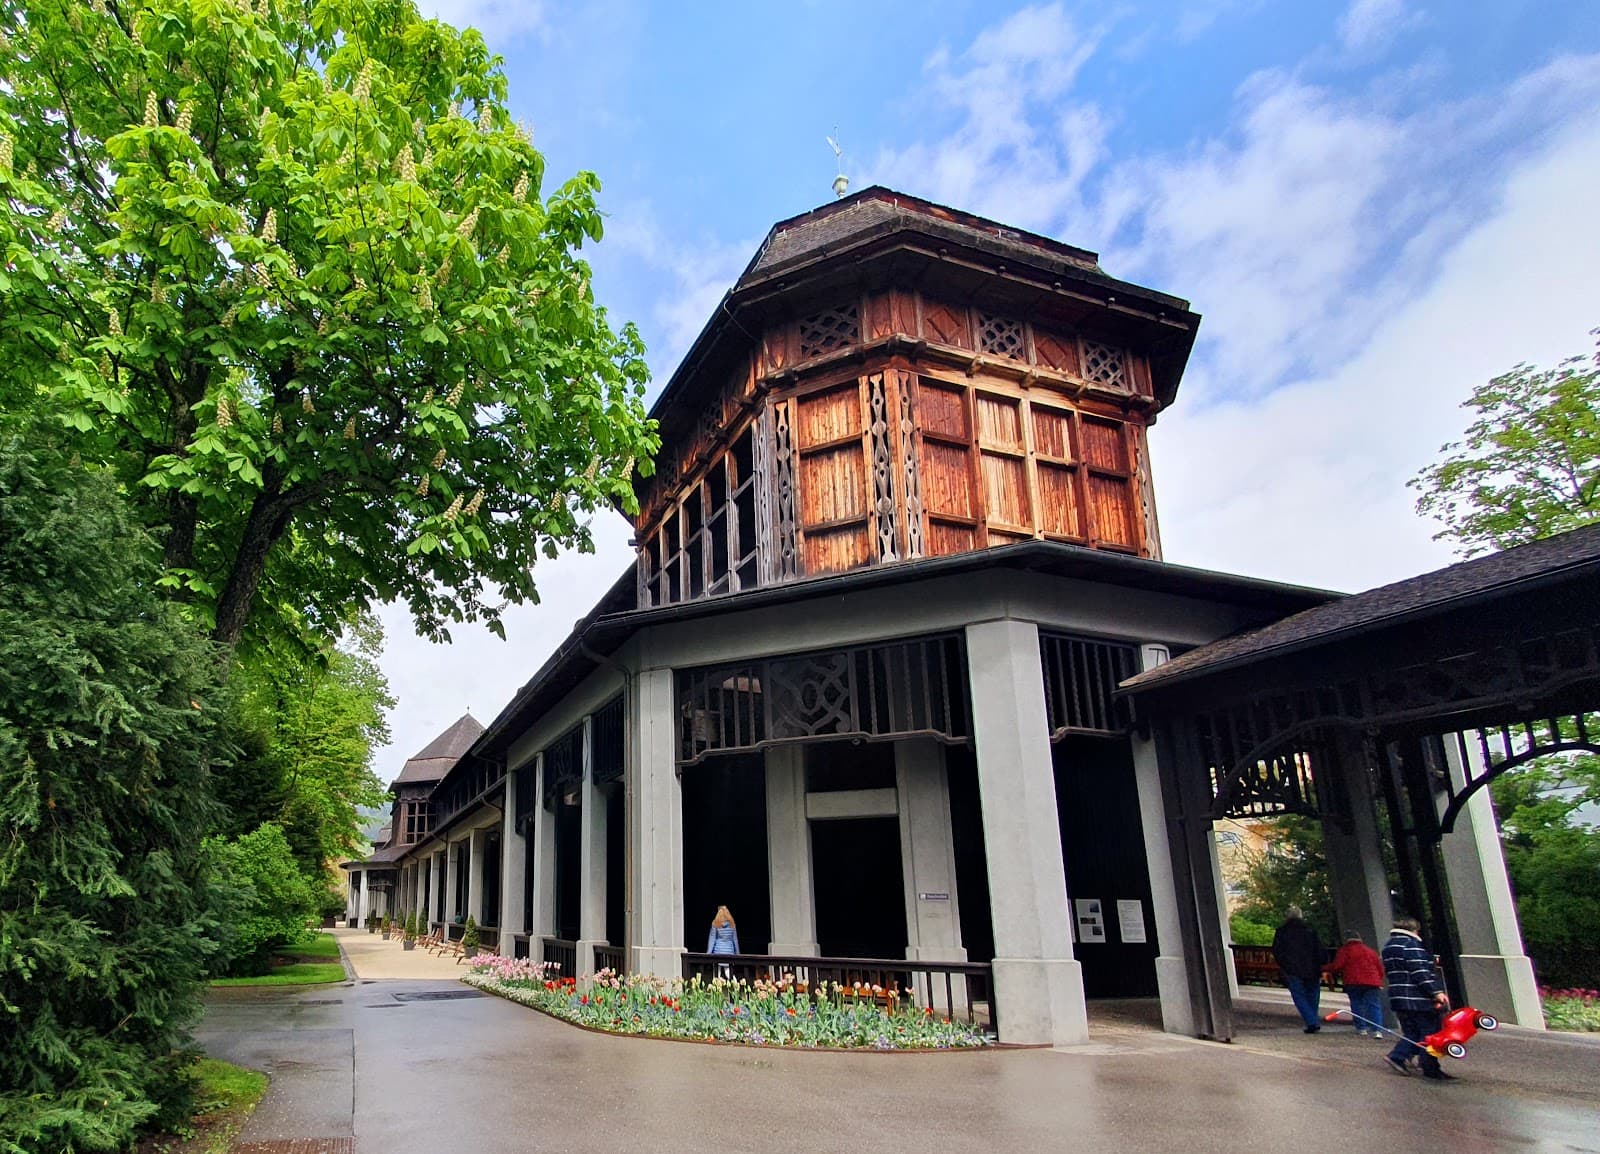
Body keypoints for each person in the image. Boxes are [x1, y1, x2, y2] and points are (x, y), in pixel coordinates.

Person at [1381, 916, 1453, 1081]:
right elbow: (1420, 973)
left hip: (1398, 997)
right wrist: (1436, 992)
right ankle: (1427, 1067)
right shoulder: (1411, 946)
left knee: (1412, 1031)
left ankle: (1401, 1057)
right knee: (1429, 1033)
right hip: (1416, 998)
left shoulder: (1389, 947)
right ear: (1414, 930)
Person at [1272, 905, 1324, 1033]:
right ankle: (1312, 1019)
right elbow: (1320, 950)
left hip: (1293, 969)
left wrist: (1285, 965)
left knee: (1299, 996)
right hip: (1312, 968)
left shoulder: (1282, 932)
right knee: (1313, 995)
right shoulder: (1311, 931)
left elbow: (1277, 951)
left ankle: (1311, 1021)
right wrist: (1321, 965)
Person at [1325, 932, 1386, 1036]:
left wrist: (1323, 968)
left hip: (1353, 981)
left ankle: (1361, 1028)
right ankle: (1377, 1030)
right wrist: (1378, 979)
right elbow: (1380, 968)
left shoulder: (1345, 950)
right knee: (1374, 1005)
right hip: (1372, 981)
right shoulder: (1370, 951)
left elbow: (1337, 966)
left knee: (1357, 1004)